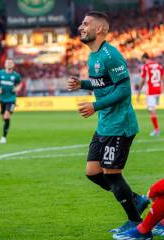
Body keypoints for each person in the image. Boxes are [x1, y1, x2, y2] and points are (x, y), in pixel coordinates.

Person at [67, 11, 149, 234]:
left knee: (112, 174)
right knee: (93, 172)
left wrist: (95, 106)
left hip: (120, 125)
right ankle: (135, 200)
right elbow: (103, 83)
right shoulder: (93, 55)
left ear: (100, 29)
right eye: (82, 24)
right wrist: (83, 84)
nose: (81, 27)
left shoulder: (110, 55)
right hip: (105, 124)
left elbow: (123, 90)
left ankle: (138, 226)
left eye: (86, 24)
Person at [137, 53, 164, 137]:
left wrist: (139, 91)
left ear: (144, 58)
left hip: (151, 91)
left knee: (151, 110)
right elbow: (163, 78)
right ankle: (156, 128)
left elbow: (143, 80)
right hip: (158, 90)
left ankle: (156, 130)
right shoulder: (158, 66)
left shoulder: (146, 66)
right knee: (151, 109)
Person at [0, 59, 21, 144]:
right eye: (7, 63)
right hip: (2, 99)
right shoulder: (0, 74)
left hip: (11, 99)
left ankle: (3, 137)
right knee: (3, 117)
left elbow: (19, 84)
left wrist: (17, 88)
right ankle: (6, 124)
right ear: (5, 64)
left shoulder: (16, 76)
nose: (9, 64)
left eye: (10, 63)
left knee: (7, 116)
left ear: (13, 65)